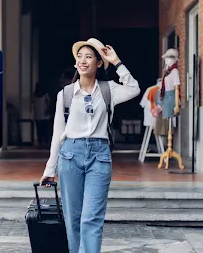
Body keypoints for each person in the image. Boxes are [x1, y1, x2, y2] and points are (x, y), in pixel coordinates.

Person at [39, 38, 140, 253]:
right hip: (70, 156)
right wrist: (50, 169)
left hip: (99, 156)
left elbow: (133, 88)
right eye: (79, 57)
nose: (83, 61)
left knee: (91, 217)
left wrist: (117, 62)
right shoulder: (65, 94)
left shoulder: (108, 90)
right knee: (73, 218)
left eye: (89, 57)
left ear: (98, 63)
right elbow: (58, 133)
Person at [32, 82, 51, 147]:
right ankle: (46, 142)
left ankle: (40, 142)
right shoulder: (45, 95)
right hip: (44, 114)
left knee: (39, 129)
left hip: (37, 115)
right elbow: (48, 103)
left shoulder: (34, 95)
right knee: (45, 129)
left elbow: (33, 104)